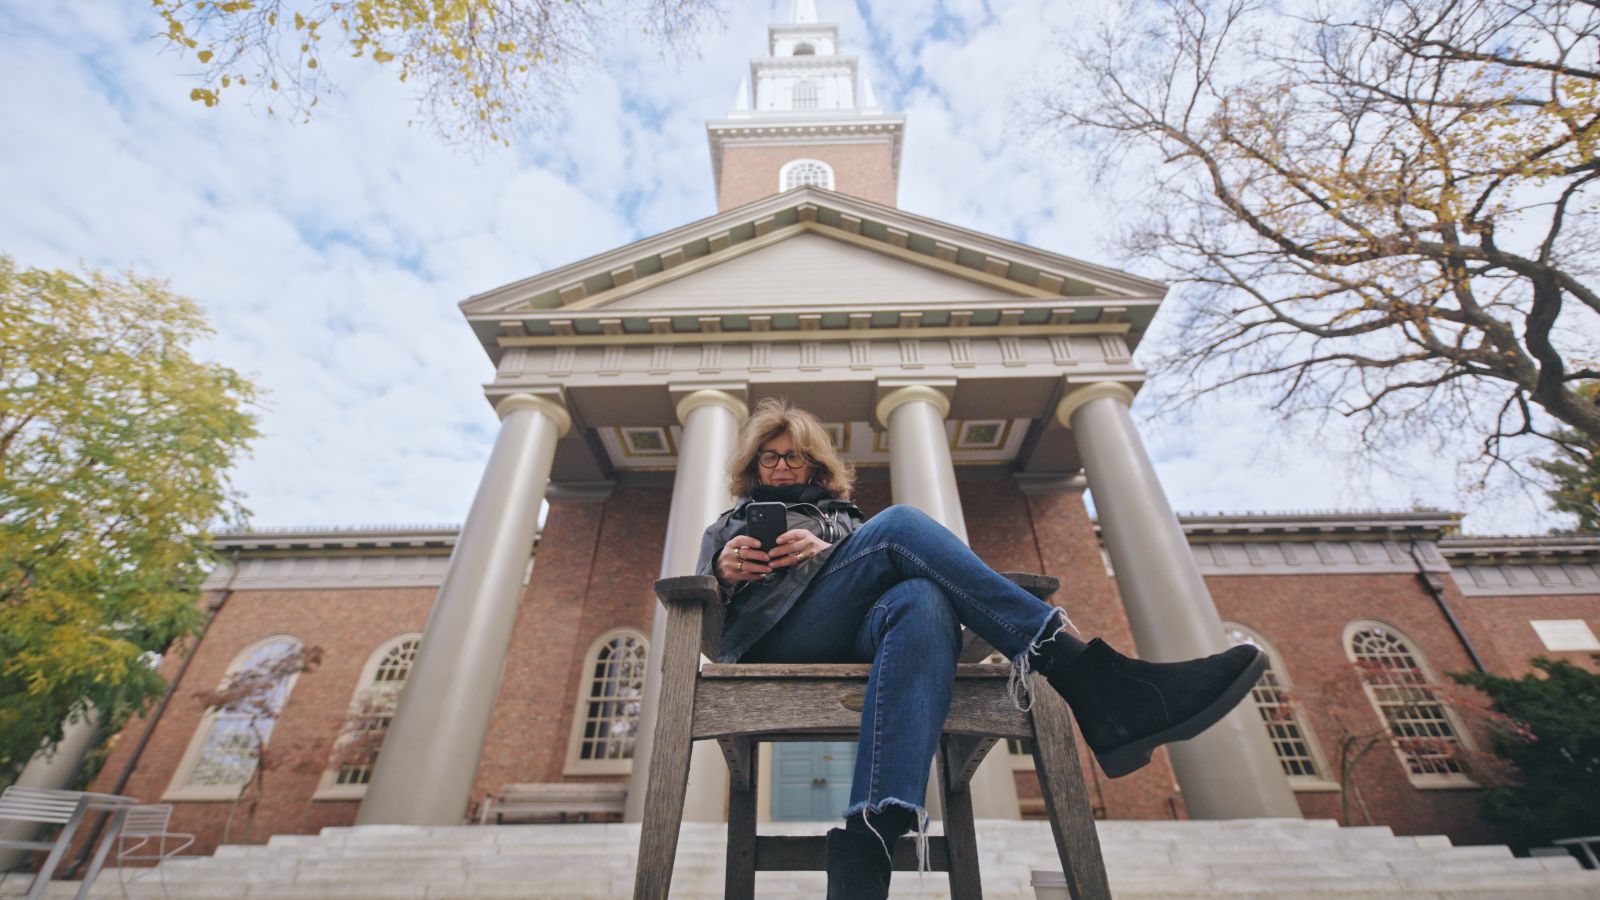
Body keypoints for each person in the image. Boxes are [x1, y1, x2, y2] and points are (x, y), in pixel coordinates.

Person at [695, 398, 1266, 900]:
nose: (781, 466)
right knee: (902, 526)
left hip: (860, 636)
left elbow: (880, 582)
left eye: (794, 456)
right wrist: (723, 573)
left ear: (816, 465)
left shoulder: (847, 522)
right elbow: (709, 631)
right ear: (753, 467)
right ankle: (1090, 678)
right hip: (778, 642)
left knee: (922, 597)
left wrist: (826, 551)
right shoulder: (727, 526)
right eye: (769, 457)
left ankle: (870, 839)